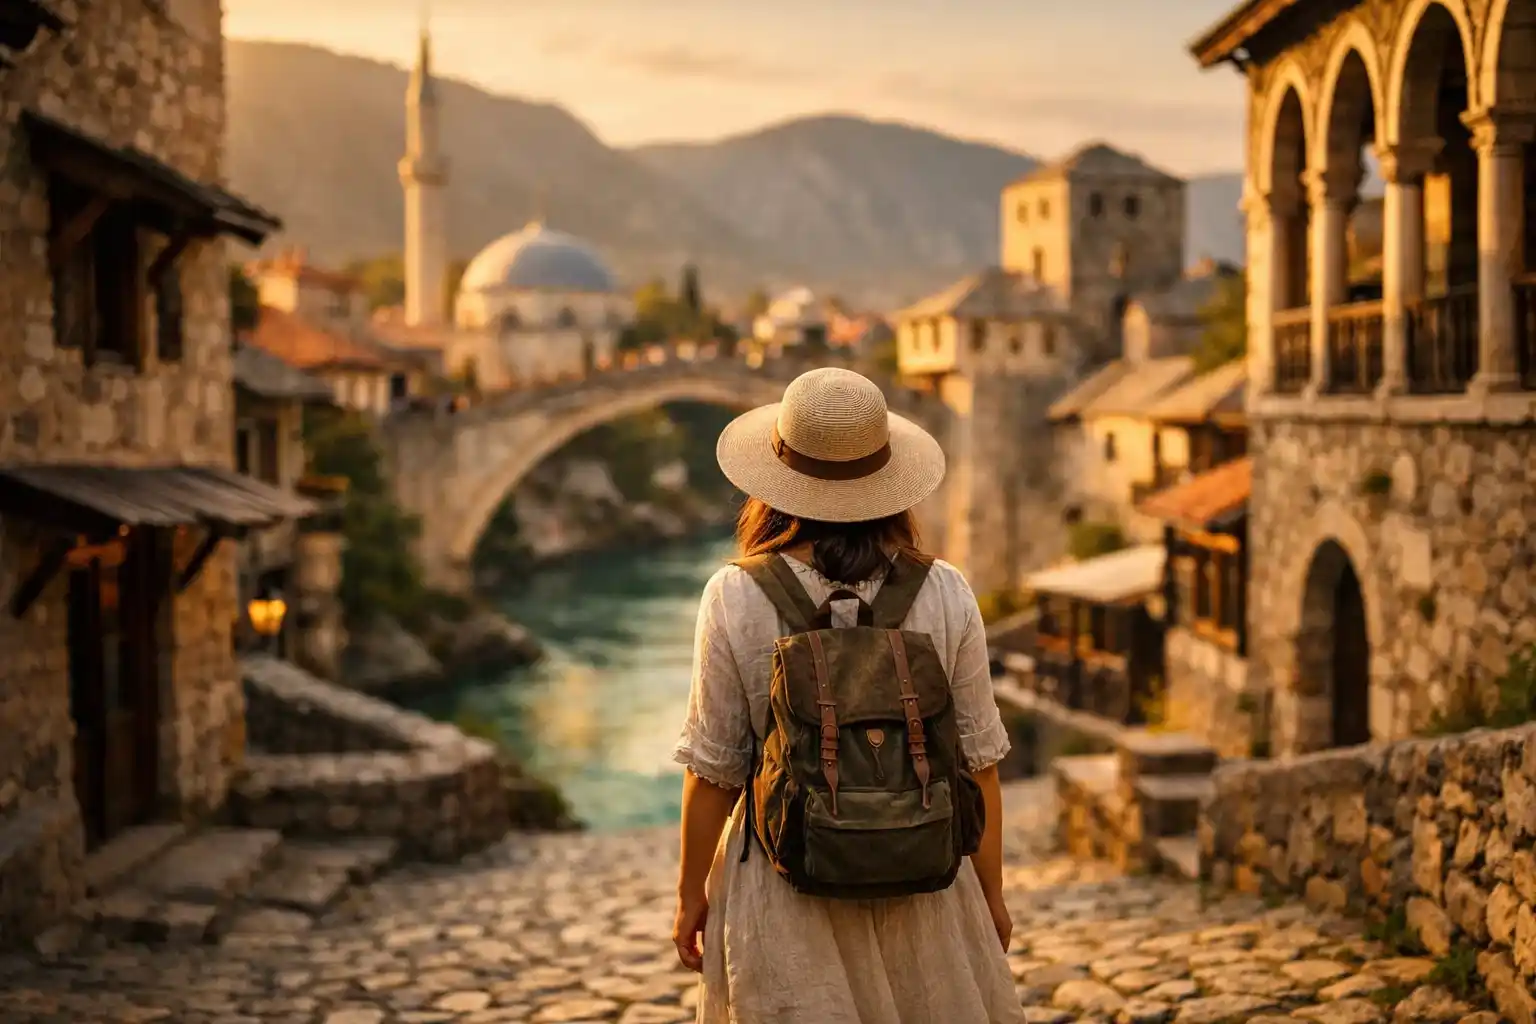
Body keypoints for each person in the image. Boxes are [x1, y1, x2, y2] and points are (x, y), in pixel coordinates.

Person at [671, 366, 1025, 1023]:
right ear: (889, 481)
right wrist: (991, 895)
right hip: (926, 881)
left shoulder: (734, 594)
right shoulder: (946, 590)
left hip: (784, 886)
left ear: (774, 485)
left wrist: (692, 894)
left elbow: (714, 772)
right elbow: (979, 765)